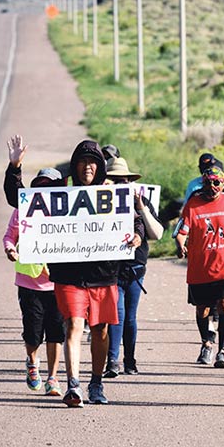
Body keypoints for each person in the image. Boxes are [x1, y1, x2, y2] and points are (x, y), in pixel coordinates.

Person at [48, 140, 144, 407]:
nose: (87, 167)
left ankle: (96, 382)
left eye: (92, 162)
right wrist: (15, 167)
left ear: (100, 167)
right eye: (82, 162)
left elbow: (136, 220)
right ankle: (73, 385)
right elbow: (19, 199)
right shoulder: (61, 194)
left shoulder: (113, 195)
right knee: (74, 325)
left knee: (100, 330)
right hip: (70, 275)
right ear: (75, 165)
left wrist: (137, 235)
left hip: (103, 274)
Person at [3, 168, 65, 397]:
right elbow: (10, 236)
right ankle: (32, 362)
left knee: (57, 332)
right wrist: (10, 249)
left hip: (58, 282)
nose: (45, 190)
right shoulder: (23, 210)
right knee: (33, 333)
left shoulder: (67, 212)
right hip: (29, 282)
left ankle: (53, 377)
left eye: (50, 186)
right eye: (41, 186)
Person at [176, 166, 224, 369]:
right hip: (200, 268)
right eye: (208, 182)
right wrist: (181, 244)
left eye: (217, 182)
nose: (212, 186)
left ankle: (222, 351)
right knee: (202, 309)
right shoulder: (193, 205)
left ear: (223, 184)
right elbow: (182, 231)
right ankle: (206, 342)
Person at [103, 156, 164, 378]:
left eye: (124, 180)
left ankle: (130, 360)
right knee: (116, 315)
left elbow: (157, 234)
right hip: (111, 269)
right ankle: (112, 361)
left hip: (136, 269)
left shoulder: (141, 202)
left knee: (130, 316)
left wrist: (141, 208)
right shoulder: (98, 204)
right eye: (114, 180)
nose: (121, 184)